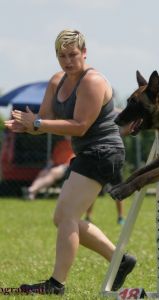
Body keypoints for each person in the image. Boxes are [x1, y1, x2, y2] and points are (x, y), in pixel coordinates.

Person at [5, 29, 136, 295]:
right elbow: (44, 121)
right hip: (87, 153)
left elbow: (79, 126)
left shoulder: (93, 81)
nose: (67, 60)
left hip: (105, 151)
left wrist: (38, 123)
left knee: (66, 216)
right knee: (63, 217)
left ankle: (56, 285)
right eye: (62, 55)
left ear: (84, 53)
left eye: (73, 54)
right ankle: (120, 260)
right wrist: (27, 126)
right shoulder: (56, 81)